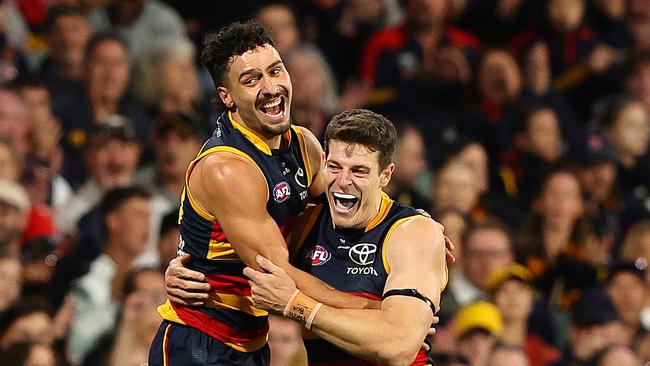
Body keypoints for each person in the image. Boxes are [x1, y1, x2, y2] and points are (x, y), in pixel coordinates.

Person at [148, 21, 387, 366]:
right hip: (199, 342)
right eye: (251, 80)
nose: (271, 87)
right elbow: (277, 277)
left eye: (275, 71)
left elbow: (347, 212)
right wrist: (372, 309)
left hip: (253, 341)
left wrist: (411, 227)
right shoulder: (227, 169)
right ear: (226, 97)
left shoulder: (303, 143)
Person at [167, 109, 448, 365]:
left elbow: (396, 347)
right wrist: (185, 270)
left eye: (359, 171)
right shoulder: (304, 228)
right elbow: (242, 257)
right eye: (335, 167)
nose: (343, 181)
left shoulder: (411, 232)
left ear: (385, 175)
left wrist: (294, 305)